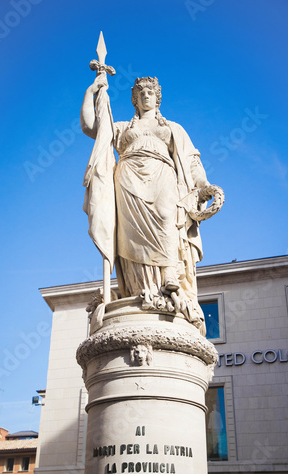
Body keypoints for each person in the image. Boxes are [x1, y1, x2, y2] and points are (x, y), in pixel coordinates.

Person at [81, 75, 210, 332]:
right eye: (141, 93)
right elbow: (90, 126)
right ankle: (140, 289)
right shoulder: (121, 127)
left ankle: (169, 275)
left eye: (151, 92)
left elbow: (191, 160)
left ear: (158, 97)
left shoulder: (173, 128)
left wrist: (203, 186)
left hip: (163, 176)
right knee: (130, 239)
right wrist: (92, 91)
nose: (146, 96)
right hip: (128, 180)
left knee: (167, 220)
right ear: (135, 99)